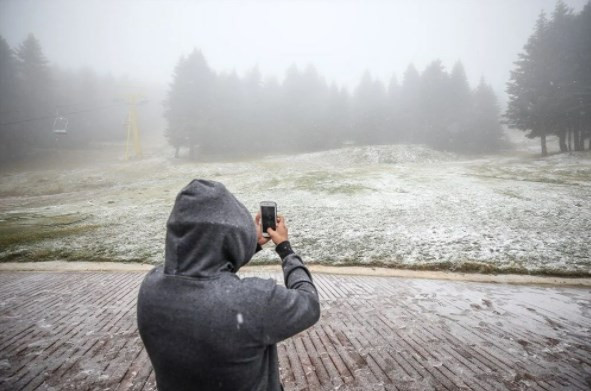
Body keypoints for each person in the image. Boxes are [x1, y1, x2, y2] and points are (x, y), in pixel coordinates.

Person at [137, 179, 320, 391]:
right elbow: (309, 302)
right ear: (232, 236)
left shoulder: (150, 287)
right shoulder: (252, 300)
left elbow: (204, 270)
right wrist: (285, 249)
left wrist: (251, 244)